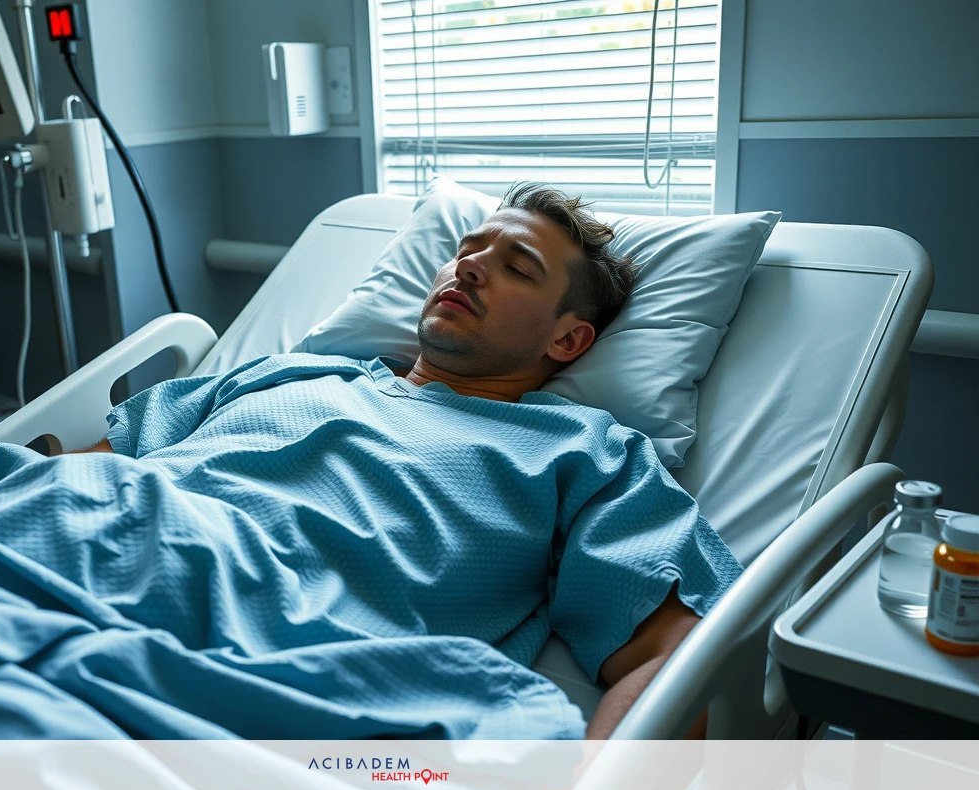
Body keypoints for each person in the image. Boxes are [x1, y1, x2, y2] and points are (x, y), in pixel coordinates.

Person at [70, 183, 743, 739]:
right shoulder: (284, 372)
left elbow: (679, 655)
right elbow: (83, 472)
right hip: (68, 554)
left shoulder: (582, 451)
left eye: (517, 267)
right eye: (466, 251)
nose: (468, 267)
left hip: (254, 666)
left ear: (568, 339)